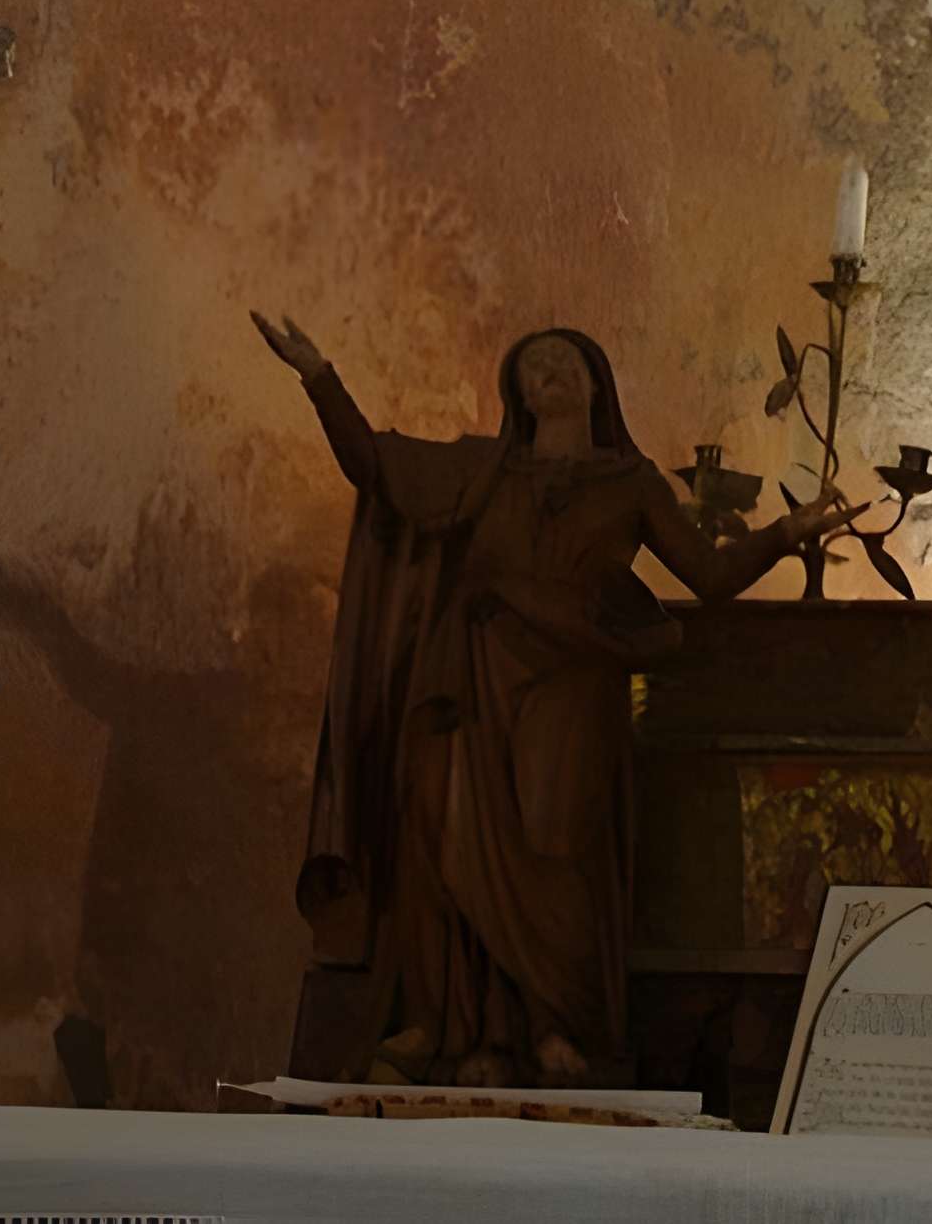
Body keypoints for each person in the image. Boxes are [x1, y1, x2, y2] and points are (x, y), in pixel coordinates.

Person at [254, 310, 857, 1088]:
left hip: (572, 687)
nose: (552, 370)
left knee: (557, 847)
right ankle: (459, 1030)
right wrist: (318, 375)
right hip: (466, 684)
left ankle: (554, 1026)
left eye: (568, 359)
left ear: (597, 384)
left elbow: (707, 576)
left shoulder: (630, 482)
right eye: (535, 363)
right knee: (442, 835)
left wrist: (783, 533)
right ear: (518, 391)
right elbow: (373, 464)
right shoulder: (480, 471)